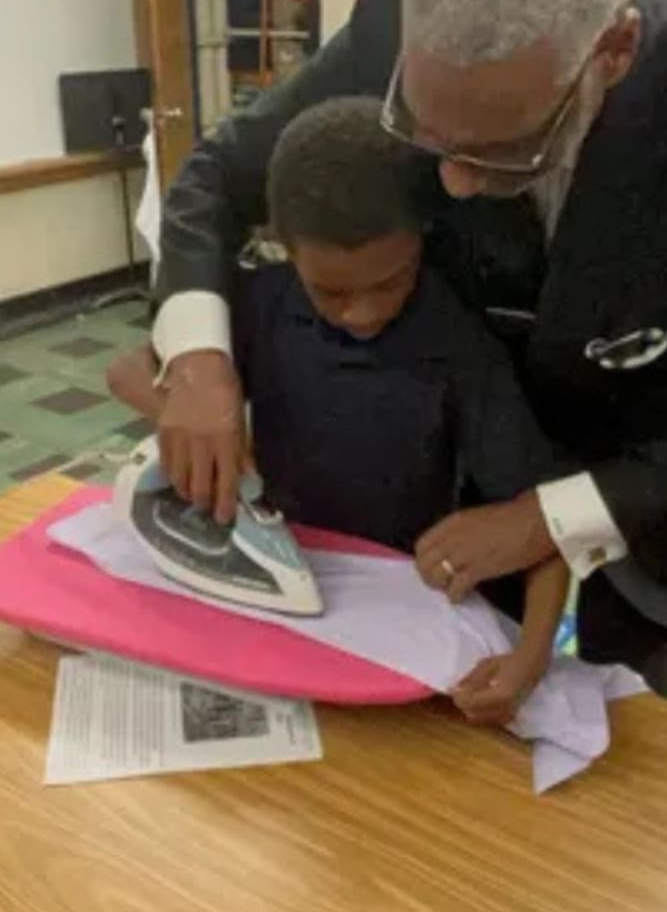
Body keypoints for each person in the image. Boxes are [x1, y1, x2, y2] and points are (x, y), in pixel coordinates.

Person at [148, 0, 667, 825]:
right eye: (424, 132)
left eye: (501, 151)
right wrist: (197, 360)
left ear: (614, 49)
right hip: (465, 458)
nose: (452, 185)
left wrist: (549, 518)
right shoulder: (396, 10)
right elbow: (212, 184)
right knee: (448, 752)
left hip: (656, 479)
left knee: (624, 750)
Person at [110, 96, 570, 727]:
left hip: (398, 604)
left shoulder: (457, 343)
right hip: (284, 603)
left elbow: (542, 524)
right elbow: (126, 371)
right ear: (282, 247)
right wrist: (206, 421)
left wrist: (532, 653)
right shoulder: (259, 306)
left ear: (422, 240)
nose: (363, 313)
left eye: (390, 282)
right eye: (329, 291)